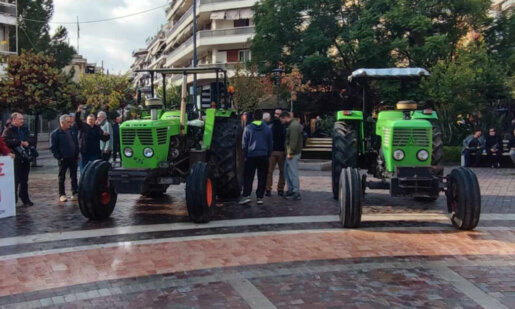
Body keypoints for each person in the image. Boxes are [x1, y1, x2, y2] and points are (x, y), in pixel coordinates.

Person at [239, 109, 273, 205]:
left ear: (253, 117)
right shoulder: (267, 128)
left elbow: (244, 143)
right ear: (262, 117)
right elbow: (270, 143)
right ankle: (260, 197)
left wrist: (245, 154)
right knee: (262, 176)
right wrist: (268, 153)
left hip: (251, 155)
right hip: (263, 155)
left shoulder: (248, 128)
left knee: (249, 176)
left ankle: (247, 195)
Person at [2, 113, 33, 206]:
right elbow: (5, 141)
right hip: (16, 158)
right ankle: (13, 200)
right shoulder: (8, 130)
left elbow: (31, 138)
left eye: (22, 119)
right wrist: (19, 142)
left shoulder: (24, 129)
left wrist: (28, 142)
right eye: (20, 119)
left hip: (25, 157)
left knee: (24, 180)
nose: (22, 121)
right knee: (15, 180)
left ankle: (25, 198)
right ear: (13, 120)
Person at [50, 115, 80, 202]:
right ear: (62, 123)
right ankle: (62, 194)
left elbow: (75, 143)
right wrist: (59, 157)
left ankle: (75, 192)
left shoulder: (71, 131)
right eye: (68, 122)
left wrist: (77, 154)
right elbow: (53, 148)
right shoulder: (55, 133)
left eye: (70, 122)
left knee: (74, 176)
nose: (70, 124)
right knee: (62, 177)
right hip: (63, 159)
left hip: (73, 158)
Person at [76, 106, 110, 173]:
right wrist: (78, 112)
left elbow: (103, 138)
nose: (91, 121)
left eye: (92, 120)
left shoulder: (97, 128)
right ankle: (84, 183)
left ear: (95, 120)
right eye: (90, 120)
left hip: (95, 152)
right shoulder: (83, 127)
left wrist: (107, 135)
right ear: (86, 120)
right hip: (84, 152)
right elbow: (77, 121)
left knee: (94, 170)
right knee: (84, 170)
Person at [280, 111, 303, 200]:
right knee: (288, 172)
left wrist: (290, 152)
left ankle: (295, 192)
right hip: (292, 153)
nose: (281, 121)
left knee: (293, 173)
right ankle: (291, 190)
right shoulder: (293, 125)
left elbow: (293, 141)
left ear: (285, 117)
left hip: (293, 154)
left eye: (281, 119)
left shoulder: (293, 126)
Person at [265, 109, 286, 197]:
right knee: (269, 171)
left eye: (278, 114)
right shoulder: (271, 125)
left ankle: (280, 189)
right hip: (273, 151)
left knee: (282, 172)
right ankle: (268, 189)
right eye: (276, 113)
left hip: (281, 151)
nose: (276, 115)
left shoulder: (282, 125)